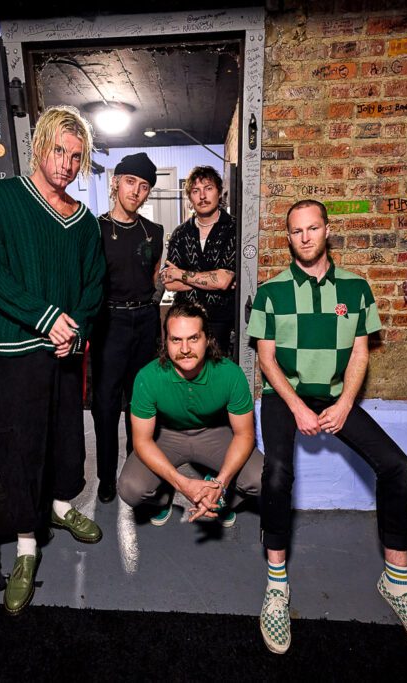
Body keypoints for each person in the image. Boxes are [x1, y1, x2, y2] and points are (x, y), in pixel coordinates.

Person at [246, 199, 407, 657]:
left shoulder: (355, 289)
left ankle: (397, 582)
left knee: (396, 466)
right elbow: (266, 359)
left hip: (337, 394)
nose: (306, 238)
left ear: (327, 231)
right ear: (289, 237)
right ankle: (277, 586)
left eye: (313, 228)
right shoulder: (273, 291)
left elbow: (360, 353)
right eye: (296, 231)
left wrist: (344, 403)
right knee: (277, 473)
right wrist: (295, 405)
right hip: (285, 395)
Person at [0, 105, 105, 616]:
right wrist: (46, 317)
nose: (67, 164)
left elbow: (94, 286)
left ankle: (64, 506)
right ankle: (27, 543)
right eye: (59, 151)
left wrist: (79, 329)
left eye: (77, 156)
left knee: (68, 433)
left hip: (66, 350)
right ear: (39, 145)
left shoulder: (84, 221)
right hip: (18, 348)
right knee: (22, 444)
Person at [117, 302, 262, 528]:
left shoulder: (230, 374)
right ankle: (163, 496)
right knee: (131, 488)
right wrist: (183, 484)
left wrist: (220, 484)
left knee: (263, 477)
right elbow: (142, 441)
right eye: (176, 339)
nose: (185, 349)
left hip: (213, 432)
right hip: (167, 434)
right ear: (166, 342)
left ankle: (218, 498)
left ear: (208, 340)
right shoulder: (148, 377)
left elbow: (244, 435)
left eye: (193, 338)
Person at [91, 153, 164, 504]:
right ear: (116, 182)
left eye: (144, 186)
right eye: (131, 182)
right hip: (109, 322)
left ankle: (139, 475)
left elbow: (153, 278)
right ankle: (106, 478)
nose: (136, 191)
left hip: (145, 320)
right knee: (106, 404)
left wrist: (156, 297)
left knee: (141, 405)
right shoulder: (95, 229)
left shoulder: (154, 232)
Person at [161, 166, 237, 355]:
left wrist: (181, 274)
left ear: (219, 193)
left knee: (216, 374)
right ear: (190, 197)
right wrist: (213, 280)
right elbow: (170, 282)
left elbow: (223, 280)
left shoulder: (234, 228)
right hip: (185, 320)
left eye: (208, 188)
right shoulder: (180, 233)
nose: (202, 196)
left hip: (220, 320)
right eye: (196, 191)